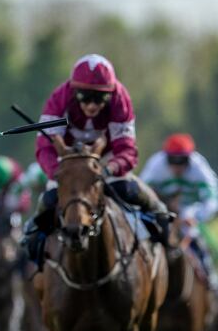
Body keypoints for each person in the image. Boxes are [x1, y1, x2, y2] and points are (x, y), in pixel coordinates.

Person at [23, 53, 170, 266]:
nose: (92, 105)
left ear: (110, 95)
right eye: (85, 97)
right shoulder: (59, 99)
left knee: (130, 190)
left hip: (105, 160)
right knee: (48, 200)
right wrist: (57, 171)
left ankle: (160, 219)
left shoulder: (120, 99)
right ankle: (32, 240)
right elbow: (45, 148)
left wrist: (109, 169)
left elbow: (127, 151)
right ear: (74, 92)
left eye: (100, 98)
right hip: (68, 162)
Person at [140, 133, 218, 287]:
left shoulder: (200, 168)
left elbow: (213, 199)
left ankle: (209, 274)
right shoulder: (156, 165)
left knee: (192, 233)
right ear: (165, 156)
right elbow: (143, 192)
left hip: (189, 209)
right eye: (172, 161)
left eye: (182, 161)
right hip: (162, 207)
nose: (177, 166)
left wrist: (198, 217)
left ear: (190, 158)